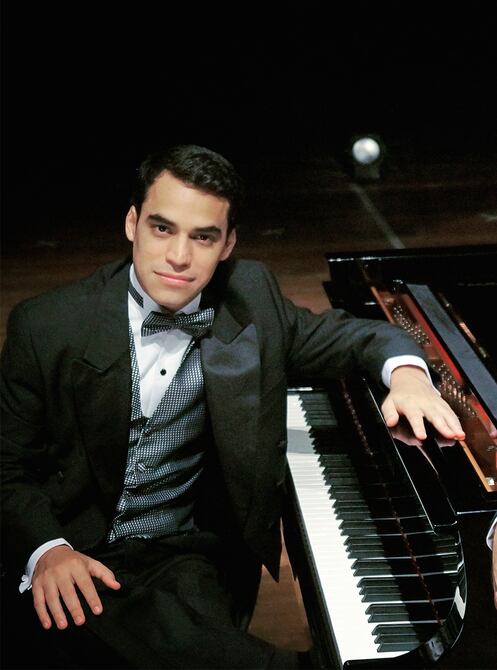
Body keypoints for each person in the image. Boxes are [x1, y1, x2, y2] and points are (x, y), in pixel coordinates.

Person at [0, 144, 467, 669]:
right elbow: (7, 467)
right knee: (129, 630)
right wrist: (47, 550)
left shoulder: (251, 298)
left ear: (228, 245)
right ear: (131, 224)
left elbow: (356, 336)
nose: (179, 256)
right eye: (162, 228)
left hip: (182, 550)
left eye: (203, 237)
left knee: (174, 634)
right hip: (74, 542)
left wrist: (408, 376)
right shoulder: (46, 325)